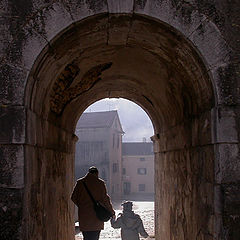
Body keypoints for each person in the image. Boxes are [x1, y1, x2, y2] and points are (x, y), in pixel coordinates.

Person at [71, 166, 115, 240]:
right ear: (97, 173)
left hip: (84, 216)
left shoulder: (80, 182)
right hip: (97, 216)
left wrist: (82, 205)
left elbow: (73, 197)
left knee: (86, 237)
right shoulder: (100, 183)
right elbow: (105, 199)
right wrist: (111, 212)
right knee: (95, 237)